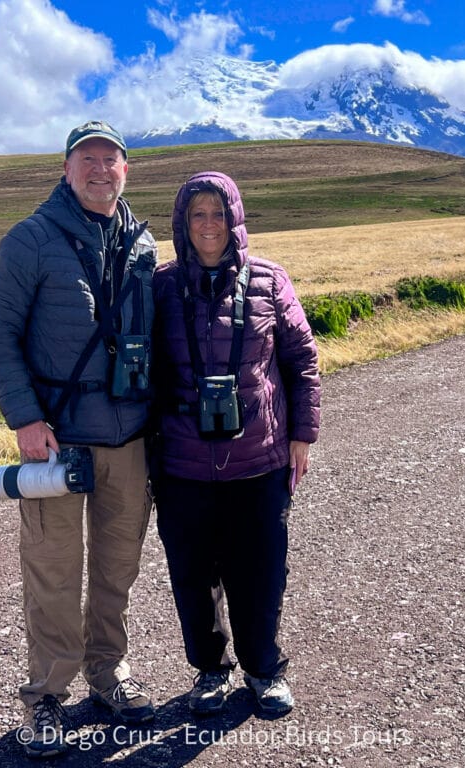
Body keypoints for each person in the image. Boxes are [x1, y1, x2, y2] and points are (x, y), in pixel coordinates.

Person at [0, 121, 157, 758]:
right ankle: (47, 696)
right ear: (65, 169)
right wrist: (25, 419)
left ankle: (108, 673)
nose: (100, 169)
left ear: (126, 170)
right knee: (53, 571)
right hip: (56, 440)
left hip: (130, 438)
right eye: (88, 159)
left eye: (112, 159)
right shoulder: (28, 240)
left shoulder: (143, 242)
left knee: (118, 567)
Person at [151, 171, 321, 717]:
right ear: (182, 222)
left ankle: (264, 670)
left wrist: (302, 433)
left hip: (260, 459)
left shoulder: (271, 280)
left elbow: (302, 363)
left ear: (236, 219)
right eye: (197, 214)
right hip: (181, 463)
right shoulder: (161, 286)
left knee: (262, 570)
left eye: (218, 213)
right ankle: (209, 671)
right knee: (193, 576)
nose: (208, 225)